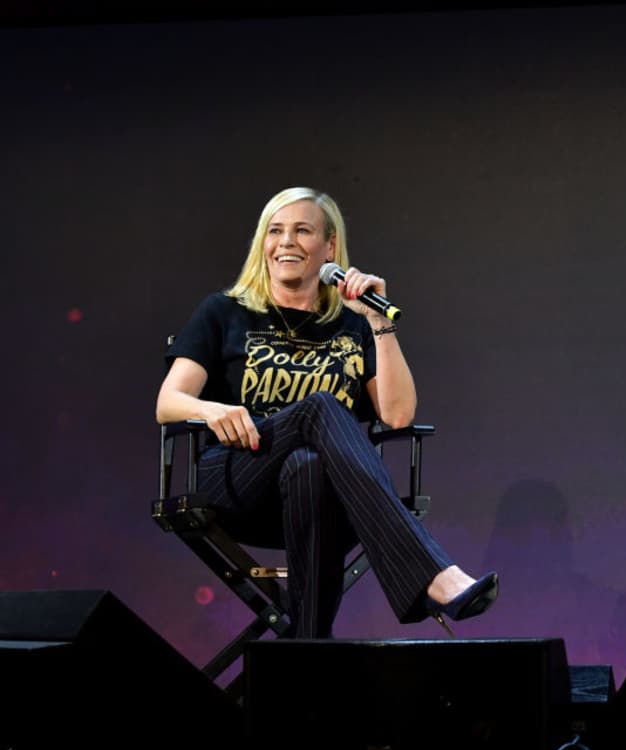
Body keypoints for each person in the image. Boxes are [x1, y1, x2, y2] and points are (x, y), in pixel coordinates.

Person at [156, 186, 498, 636]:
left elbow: (397, 417)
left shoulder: (355, 324)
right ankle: (432, 573)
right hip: (239, 476)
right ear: (263, 243)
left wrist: (379, 322)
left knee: (310, 465)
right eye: (275, 231)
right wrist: (214, 409)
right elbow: (169, 403)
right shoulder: (225, 312)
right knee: (319, 408)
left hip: (325, 497)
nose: (286, 242)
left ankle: (310, 651)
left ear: (330, 246)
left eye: (302, 231)